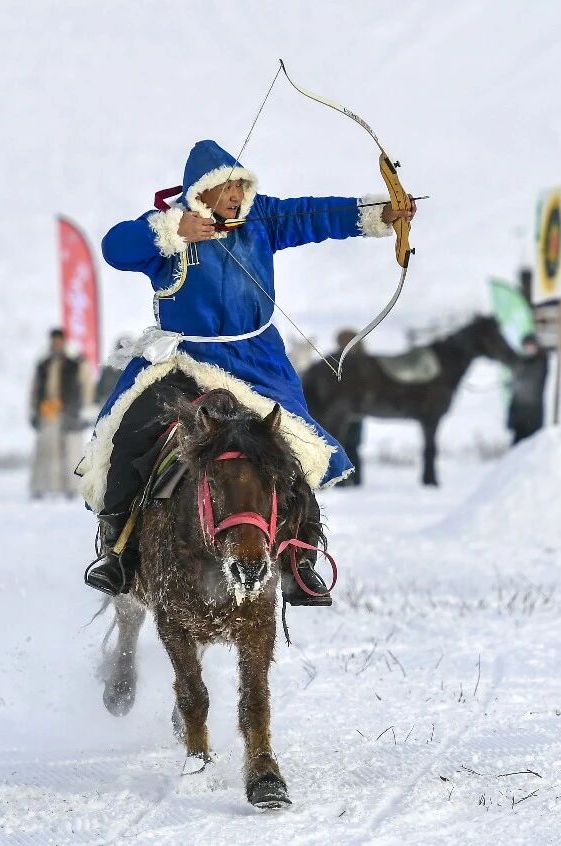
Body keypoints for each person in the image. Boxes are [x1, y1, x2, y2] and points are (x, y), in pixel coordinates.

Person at [77, 139, 415, 601]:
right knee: (131, 432)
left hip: (256, 362)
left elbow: (312, 215)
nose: (237, 195)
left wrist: (381, 213)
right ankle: (118, 552)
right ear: (202, 190)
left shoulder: (261, 219)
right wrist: (172, 229)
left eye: (241, 186)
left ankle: (300, 558)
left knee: (294, 444)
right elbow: (114, 247)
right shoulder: (174, 229)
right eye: (228, 187)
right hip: (186, 359)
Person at [30, 328, 85, 499]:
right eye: (54, 341)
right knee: (46, 450)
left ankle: (70, 487)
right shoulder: (43, 364)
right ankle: (42, 487)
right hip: (47, 412)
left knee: (69, 451)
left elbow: (81, 388)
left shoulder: (73, 364)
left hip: (67, 411)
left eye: (59, 341)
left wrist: (78, 411)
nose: (56, 344)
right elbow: (35, 389)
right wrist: (34, 410)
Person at [333, 328, 364, 487]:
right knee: (340, 444)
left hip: (355, 411)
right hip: (338, 412)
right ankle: (342, 479)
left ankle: (356, 479)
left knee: (352, 445)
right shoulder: (336, 361)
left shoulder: (362, 364)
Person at [507, 334, 549, 444]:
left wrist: (518, 382)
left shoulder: (541, 360)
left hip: (533, 414)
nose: (527, 349)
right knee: (516, 447)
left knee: (531, 446)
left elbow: (534, 379)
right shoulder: (521, 361)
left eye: (529, 346)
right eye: (525, 346)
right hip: (519, 415)